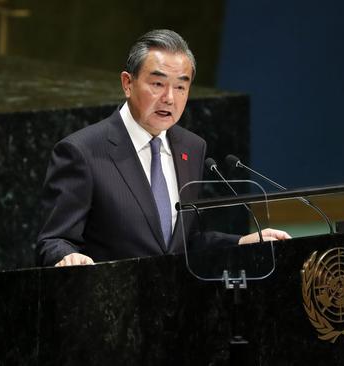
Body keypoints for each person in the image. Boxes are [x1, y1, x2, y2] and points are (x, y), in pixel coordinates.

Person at [36, 29, 290, 267]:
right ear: (127, 83)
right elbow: (53, 241)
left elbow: (184, 241)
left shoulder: (191, 146)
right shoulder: (82, 151)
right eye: (157, 84)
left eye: (180, 86)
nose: (169, 97)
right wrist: (68, 256)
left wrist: (240, 243)